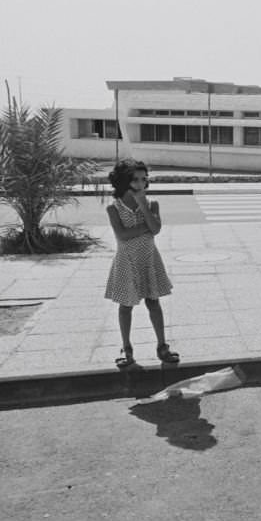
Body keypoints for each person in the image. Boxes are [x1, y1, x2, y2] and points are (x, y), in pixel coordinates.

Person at [104, 158, 178, 368]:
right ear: (124, 180)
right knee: (125, 306)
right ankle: (126, 347)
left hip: (148, 259)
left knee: (153, 303)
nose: (140, 183)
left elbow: (155, 229)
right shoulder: (114, 208)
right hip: (127, 261)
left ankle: (162, 345)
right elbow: (123, 234)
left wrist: (143, 205)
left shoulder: (152, 203)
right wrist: (146, 227)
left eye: (144, 179)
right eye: (135, 179)